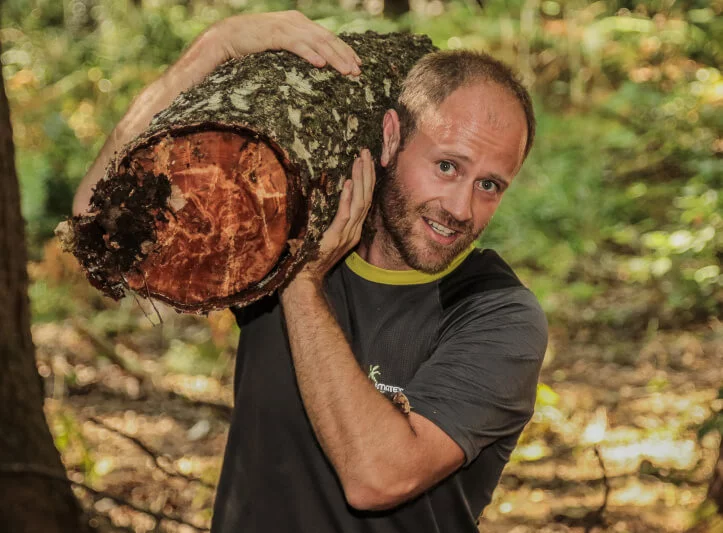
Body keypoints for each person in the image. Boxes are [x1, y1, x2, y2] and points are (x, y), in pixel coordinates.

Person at [73, 10, 547, 532]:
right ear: (391, 138)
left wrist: (301, 283)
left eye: (490, 186)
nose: (461, 207)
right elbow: (99, 221)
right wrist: (214, 47)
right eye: (447, 166)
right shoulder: (286, 232)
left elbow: (377, 477)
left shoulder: (499, 315)